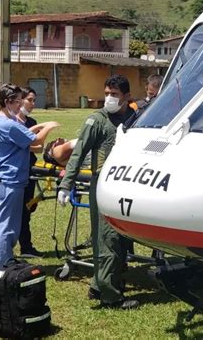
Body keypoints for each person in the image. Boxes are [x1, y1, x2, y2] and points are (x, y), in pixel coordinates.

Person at [57, 75, 139, 309]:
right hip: (103, 186)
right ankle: (111, 298)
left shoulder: (134, 120)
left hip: (125, 185)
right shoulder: (97, 121)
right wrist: (66, 184)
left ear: (126, 97)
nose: (109, 98)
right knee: (107, 240)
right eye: (107, 93)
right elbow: (78, 154)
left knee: (121, 240)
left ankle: (98, 284)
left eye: (114, 94)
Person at [0, 83, 59, 273]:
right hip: (10, 180)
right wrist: (48, 127)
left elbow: (25, 133)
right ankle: (4, 264)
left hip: (0, 179)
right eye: (17, 102)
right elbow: (36, 141)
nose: (20, 105)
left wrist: (39, 126)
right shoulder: (8, 124)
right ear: (7, 102)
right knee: (7, 226)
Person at [16, 86, 53, 258]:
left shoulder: (31, 122)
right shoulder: (13, 123)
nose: (32, 104)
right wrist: (29, 145)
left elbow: (38, 147)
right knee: (16, 211)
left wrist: (28, 146)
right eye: (29, 100)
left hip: (30, 171)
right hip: (16, 172)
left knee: (28, 210)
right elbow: (29, 144)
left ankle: (26, 247)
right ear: (19, 100)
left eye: (34, 100)